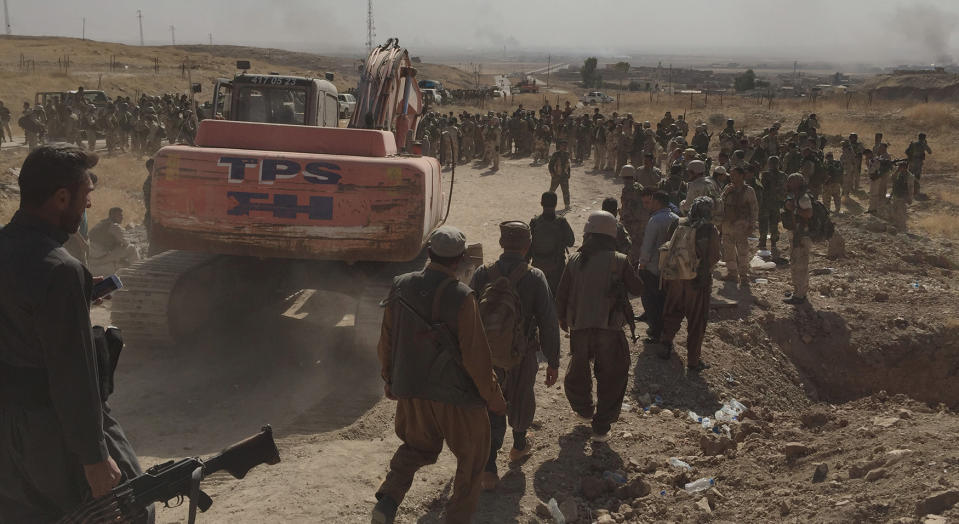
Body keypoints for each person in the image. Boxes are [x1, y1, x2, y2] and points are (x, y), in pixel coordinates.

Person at [0, 143, 152, 523]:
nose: (88, 205)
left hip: (9, 428)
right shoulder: (60, 270)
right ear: (61, 197)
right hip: (54, 432)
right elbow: (74, 376)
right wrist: (95, 457)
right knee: (134, 508)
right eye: (85, 196)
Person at [373, 226, 507, 524]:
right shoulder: (462, 296)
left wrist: (389, 380)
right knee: (472, 462)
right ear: (460, 260)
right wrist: (494, 398)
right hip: (457, 398)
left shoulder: (400, 285)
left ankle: (388, 500)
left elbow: (386, 340)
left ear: (429, 253)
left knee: (416, 448)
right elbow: (477, 358)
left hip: (413, 391)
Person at [469, 222, 560, 491]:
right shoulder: (536, 277)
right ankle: (519, 446)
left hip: (487, 356)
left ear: (500, 243)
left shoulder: (482, 273)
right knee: (521, 398)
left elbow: (468, 314)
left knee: (491, 405)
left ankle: (488, 469)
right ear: (527, 246)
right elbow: (548, 321)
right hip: (522, 355)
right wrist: (553, 360)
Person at [556, 211, 643, 441]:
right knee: (612, 376)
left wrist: (563, 320)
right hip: (609, 331)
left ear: (588, 233)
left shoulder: (575, 259)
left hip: (580, 329)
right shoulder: (620, 260)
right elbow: (637, 289)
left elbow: (561, 295)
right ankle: (601, 426)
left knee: (579, 372)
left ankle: (584, 411)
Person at [657, 196, 721, 371]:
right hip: (697, 281)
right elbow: (715, 256)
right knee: (697, 320)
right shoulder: (709, 229)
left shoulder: (679, 223)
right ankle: (693, 360)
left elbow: (669, 245)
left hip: (675, 277)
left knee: (672, 311)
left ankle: (665, 344)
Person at [637, 190, 679, 341]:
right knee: (663, 301)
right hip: (668, 269)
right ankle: (662, 331)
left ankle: (654, 331)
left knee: (650, 299)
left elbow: (648, 245)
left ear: (658, 202)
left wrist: (642, 264)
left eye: (652, 201)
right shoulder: (676, 218)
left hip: (652, 268)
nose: (650, 204)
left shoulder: (655, 220)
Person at [528, 192, 576, 294]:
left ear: (541, 203)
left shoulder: (534, 222)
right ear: (556, 204)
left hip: (537, 268)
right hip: (557, 270)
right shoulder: (562, 222)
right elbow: (571, 242)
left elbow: (527, 247)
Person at [720, 167, 759, 287]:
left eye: (734, 175)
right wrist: (726, 193)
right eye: (731, 175)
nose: (732, 177)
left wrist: (752, 225)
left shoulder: (749, 190)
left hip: (741, 225)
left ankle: (744, 276)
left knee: (743, 251)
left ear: (742, 176)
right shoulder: (727, 188)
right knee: (728, 250)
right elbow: (720, 203)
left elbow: (754, 208)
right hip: (727, 224)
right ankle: (732, 273)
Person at [782, 173, 814, 305]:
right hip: (797, 234)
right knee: (797, 263)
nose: (788, 184)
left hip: (802, 236)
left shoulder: (803, 198)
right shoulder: (795, 196)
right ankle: (799, 291)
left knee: (799, 265)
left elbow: (808, 213)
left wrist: (794, 209)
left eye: (791, 181)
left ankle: (799, 295)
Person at [89, 207, 140, 272]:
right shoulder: (114, 226)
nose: (122, 218)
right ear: (112, 216)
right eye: (119, 215)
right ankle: (138, 271)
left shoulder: (101, 223)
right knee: (132, 248)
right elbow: (126, 243)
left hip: (92, 256)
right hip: (101, 257)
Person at [758, 156, 786, 255]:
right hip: (776, 203)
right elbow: (784, 190)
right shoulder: (782, 175)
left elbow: (762, 188)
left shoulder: (765, 174)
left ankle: (763, 242)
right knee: (773, 224)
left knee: (764, 223)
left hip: (766, 202)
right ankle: (773, 243)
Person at [889, 161, 915, 231]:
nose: (899, 168)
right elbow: (891, 179)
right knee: (895, 209)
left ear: (904, 168)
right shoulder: (898, 173)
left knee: (902, 210)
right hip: (896, 194)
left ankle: (902, 225)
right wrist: (897, 171)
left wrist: (910, 198)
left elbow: (911, 188)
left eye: (901, 167)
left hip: (903, 195)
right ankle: (896, 223)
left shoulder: (909, 176)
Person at [548, 140, 572, 209]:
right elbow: (550, 165)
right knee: (552, 191)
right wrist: (552, 173)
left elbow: (568, 165)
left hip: (564, 176)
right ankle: (549, 204)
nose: (564, 147)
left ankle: (567, 205)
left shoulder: (567, 154)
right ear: (560, 147)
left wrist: (569, 174)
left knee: (566, 191)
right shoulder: (555, 154)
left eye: (565, 146)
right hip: (556, 175)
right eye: (563, 146)